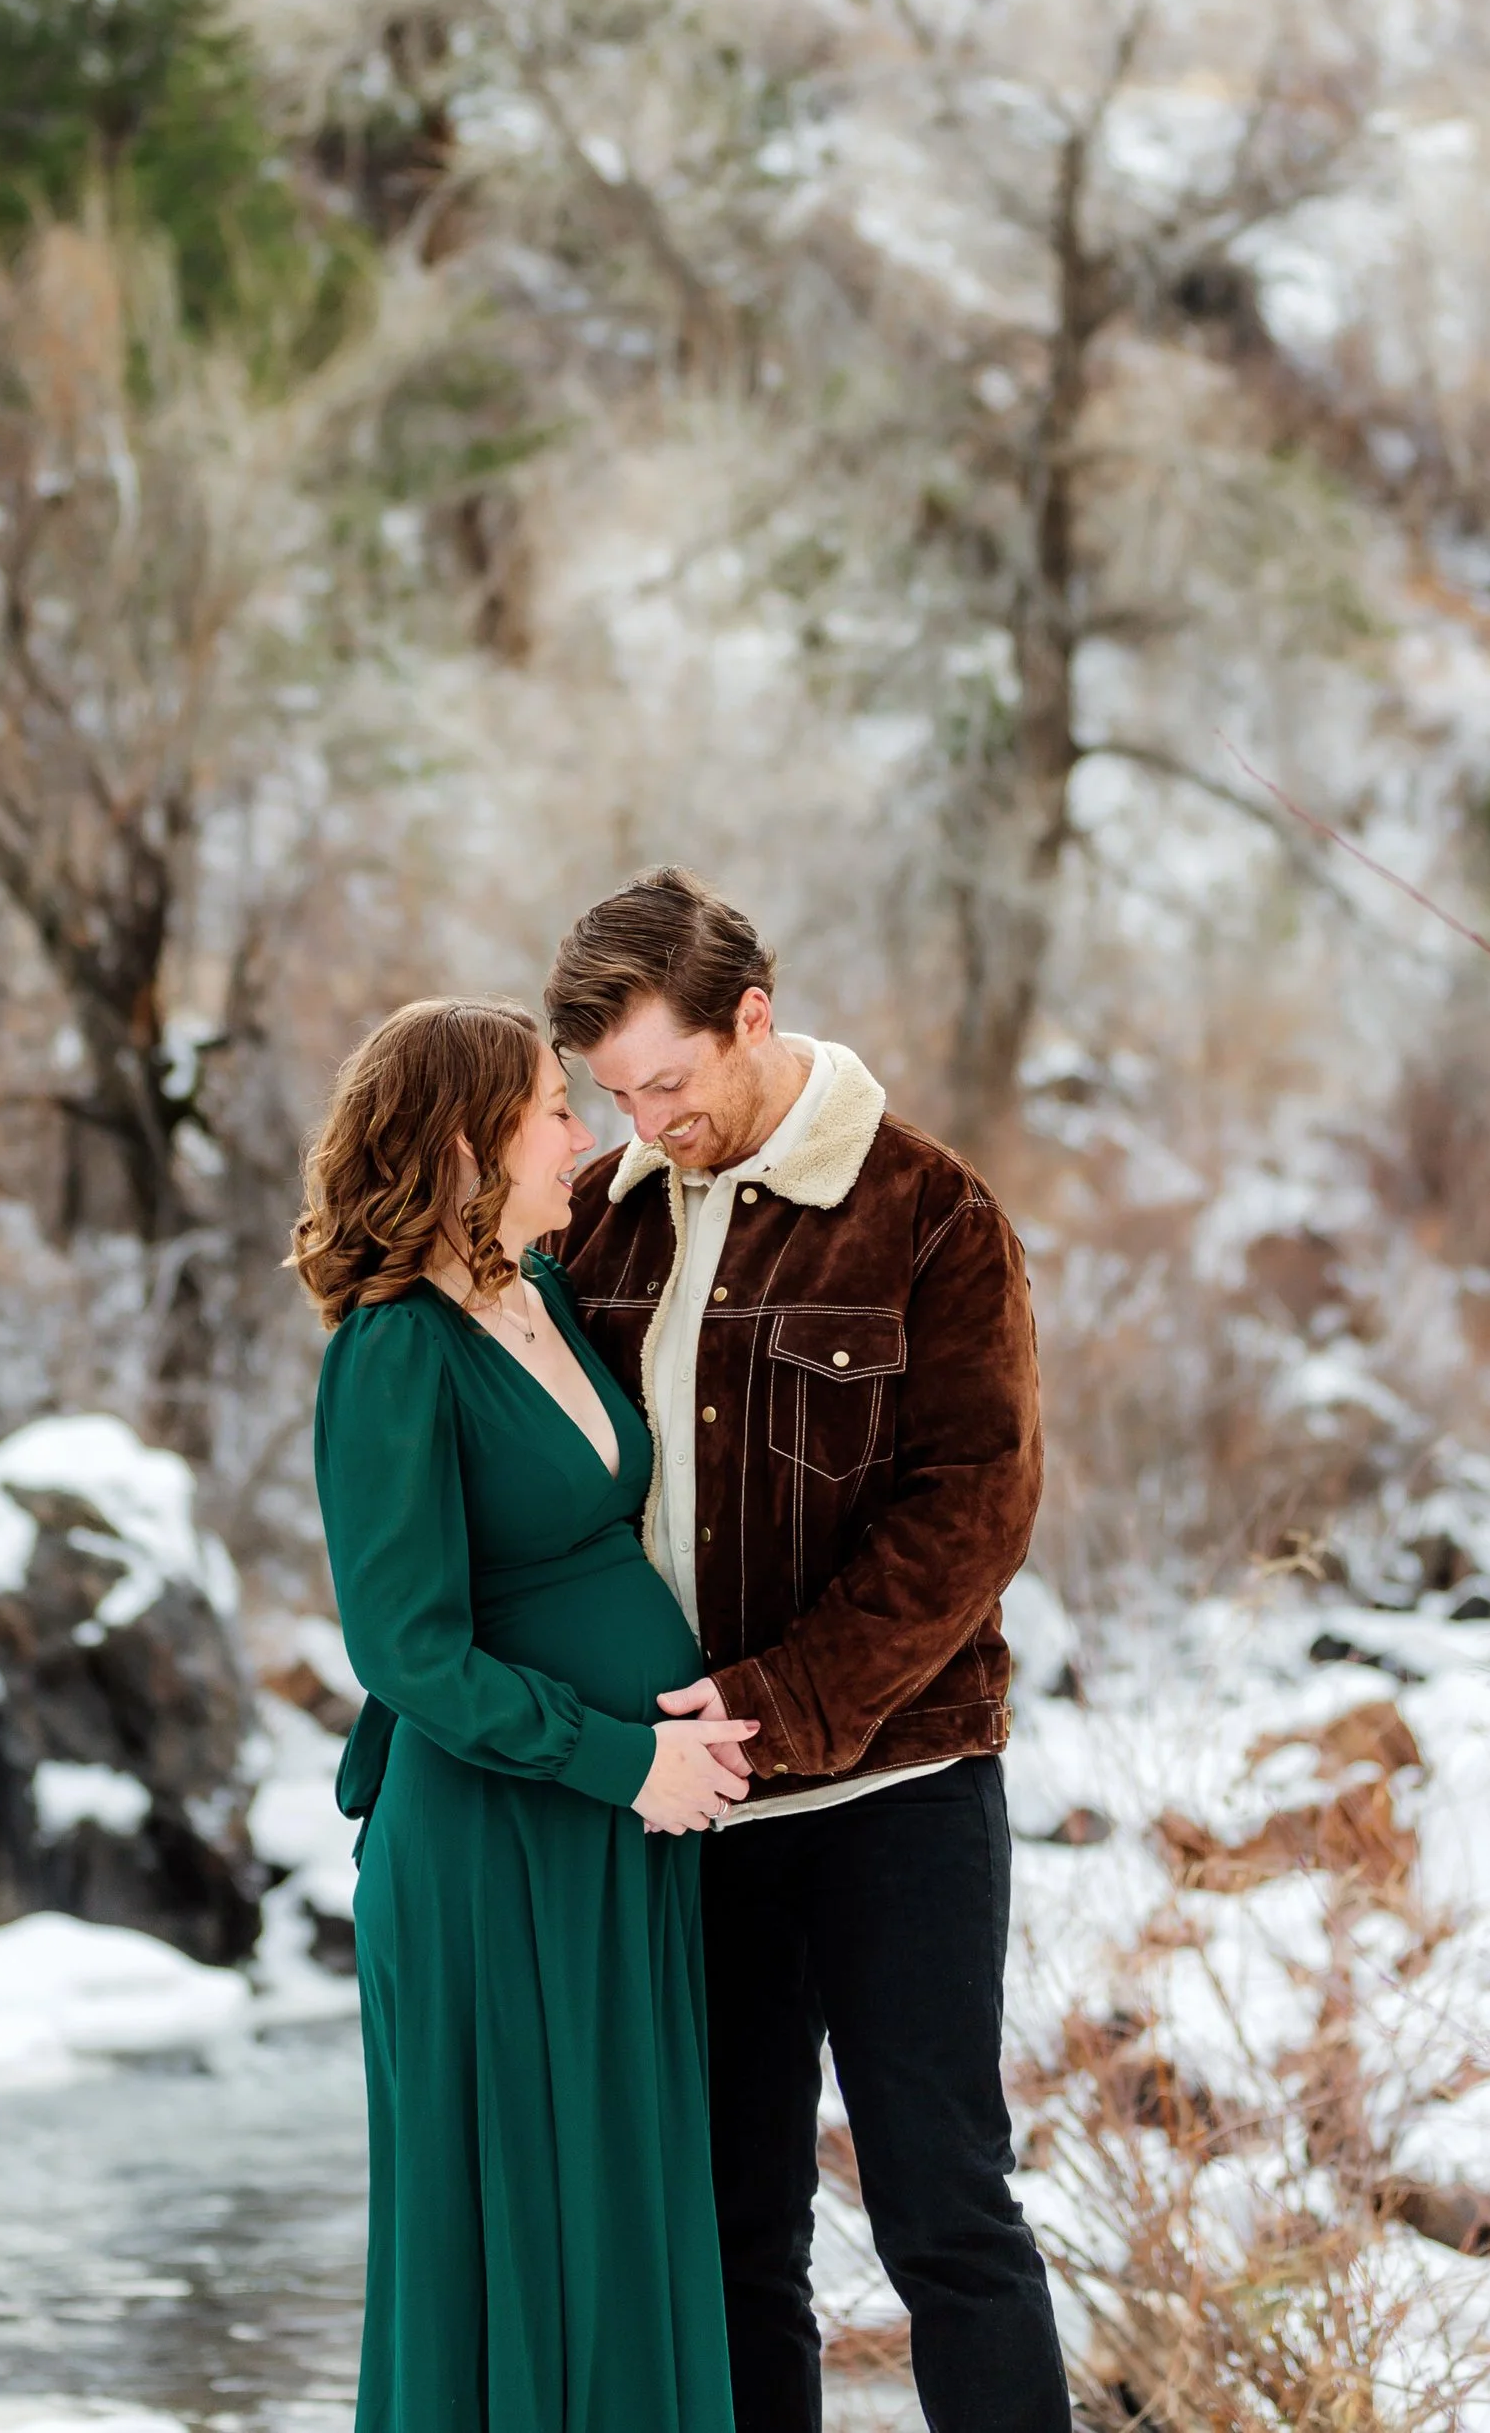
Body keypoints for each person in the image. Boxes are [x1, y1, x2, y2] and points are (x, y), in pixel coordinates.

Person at [547, 868, 1072, 2433]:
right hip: (683, 1818)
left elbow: (976, 1505)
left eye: (670, 1078)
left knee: (948, 2221)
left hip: (898, 1797)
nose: (647, 1118)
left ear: (750, 1018)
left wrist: (781, 1706)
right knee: (729, 2239)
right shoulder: (597, 1222)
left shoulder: (931, 1210)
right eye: (613, 1092)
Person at [296, 996, 756, 2433]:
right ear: (464, 1145)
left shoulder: (539, 1288)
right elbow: (407, 1650)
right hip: (502, 1847)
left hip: (610, 1840)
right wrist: (625, 1760)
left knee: (623, 2219)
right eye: (555, 1110)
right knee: (511, 2236)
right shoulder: (391, 1349)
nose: (585, 1133)